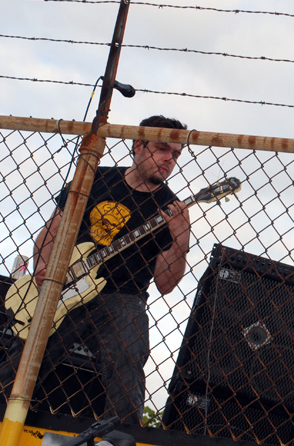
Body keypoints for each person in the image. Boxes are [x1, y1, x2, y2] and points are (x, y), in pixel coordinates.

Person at [0, 115, 191, 424]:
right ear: (138, 145)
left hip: (122, 295)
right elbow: (55, 228)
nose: (169, 159)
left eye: (176, 154)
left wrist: (180, 241)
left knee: (129, 357)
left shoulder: (170, 208)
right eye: (162, 149)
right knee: (23, 356)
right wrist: (44, 266)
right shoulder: (95, 179)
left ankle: (118, 442)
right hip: (66, 283)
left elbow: (165, 284)